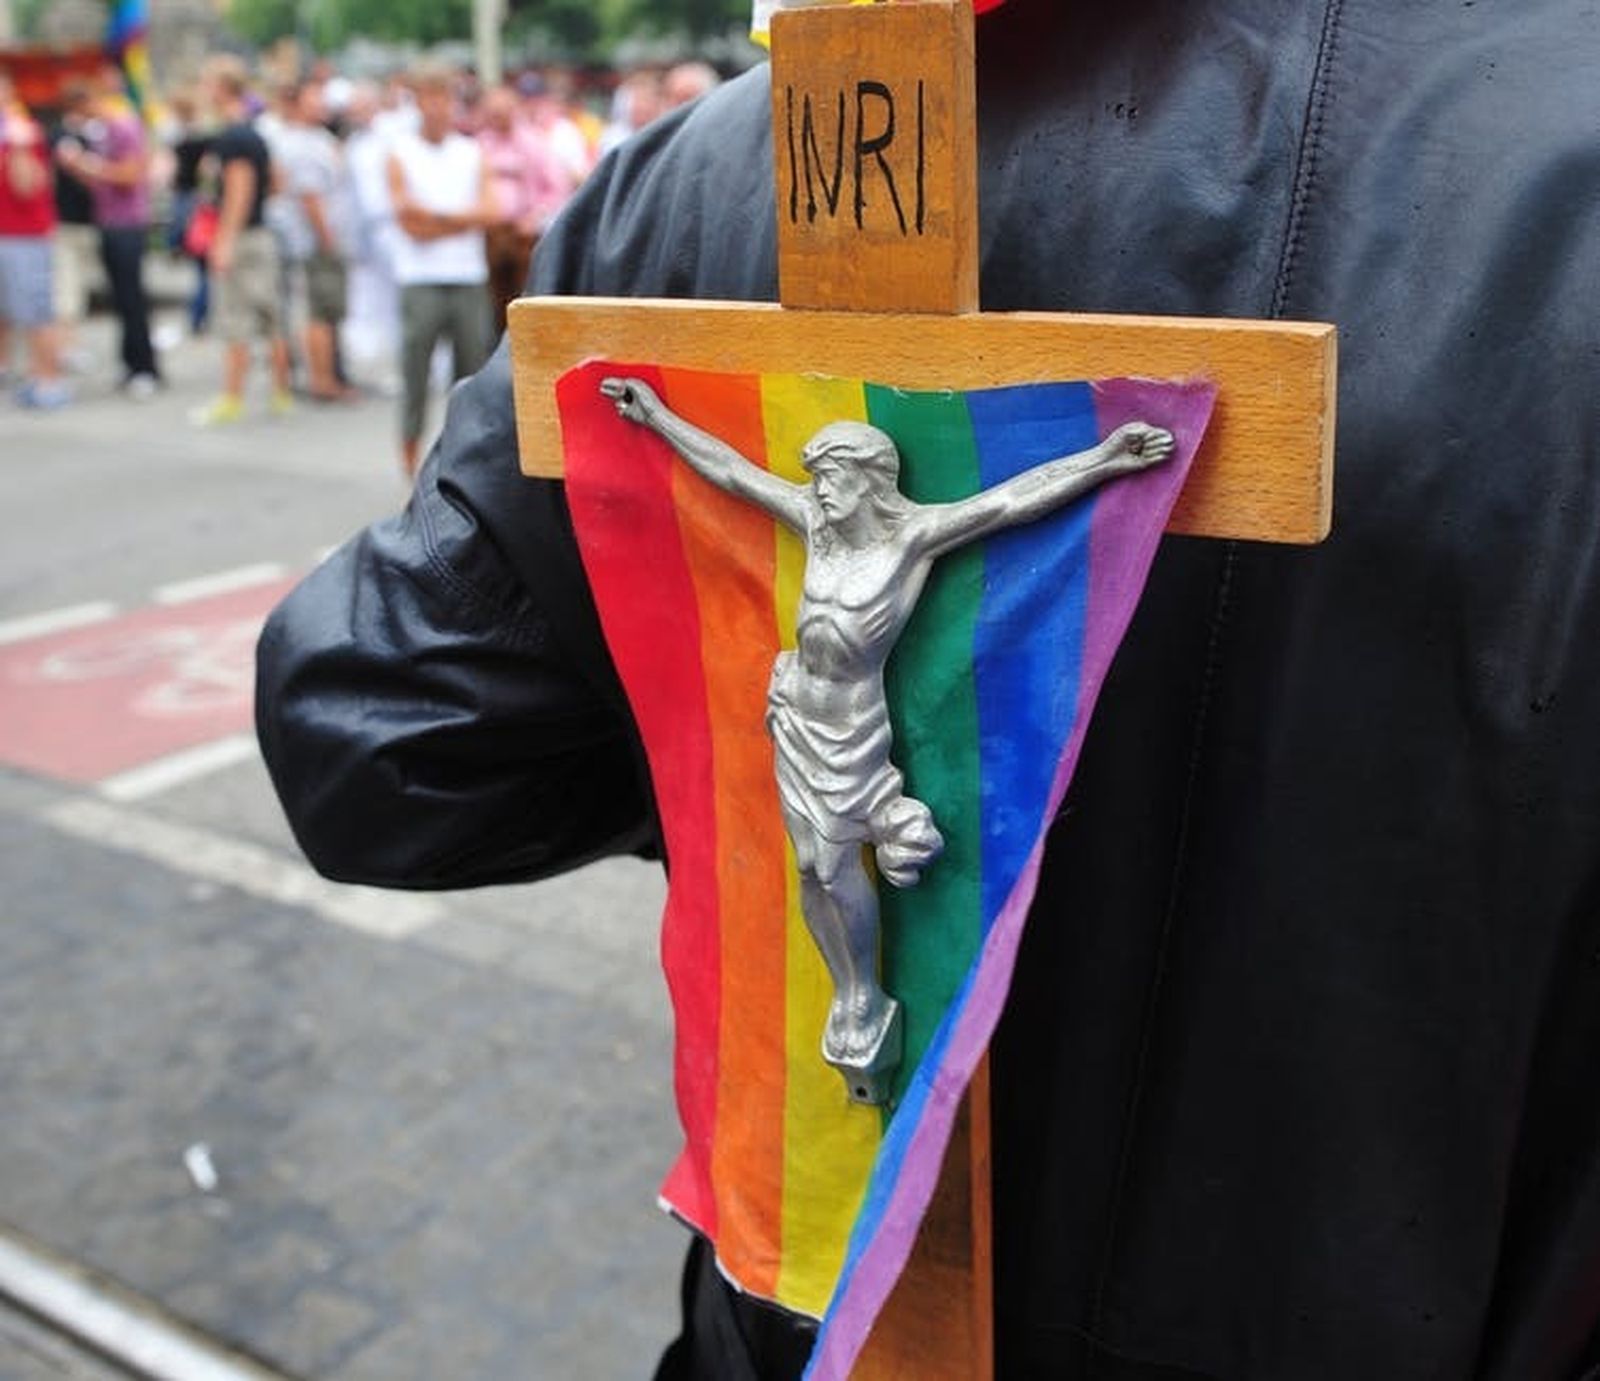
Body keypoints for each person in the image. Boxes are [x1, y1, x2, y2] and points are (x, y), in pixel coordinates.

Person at [257, 3, 1600, 1378]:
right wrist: (661, 443)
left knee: (857, 900)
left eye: (848, 475)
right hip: (823, 776)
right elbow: (409, 721)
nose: (836, 484)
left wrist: (1119, 458)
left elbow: (386, 744)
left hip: (832, 1310)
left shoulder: (719, 182)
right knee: (851, 927)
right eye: (828, 472)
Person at [386, 62, 496, 477]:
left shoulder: (470, 152)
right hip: (421, 279)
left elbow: (491, 210)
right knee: (415, 375)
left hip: (465, 277)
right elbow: (407, 221)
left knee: (470, 380)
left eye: (444, 98)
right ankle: (411, 467)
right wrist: (460, 219)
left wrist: (435, 218)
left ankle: (464, 466)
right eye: (430, 98)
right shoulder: (401, 153)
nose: (438, 107)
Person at [193, 55, 292, 426]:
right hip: (260, 233)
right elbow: (277, 181)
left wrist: (224, 240)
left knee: (235, 319)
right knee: (271, 318)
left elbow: (239, 190)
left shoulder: (232, 137)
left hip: (244, 236)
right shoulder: (255, 132)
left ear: (221, 88)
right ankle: (281, 392)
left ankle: (232, 396)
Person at [55, 67, 160, 397]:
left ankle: (144, 367)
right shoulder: (104, 132)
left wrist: (86, 164)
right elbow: (103, 181)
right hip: (109, 221)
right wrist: (78, 168)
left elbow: (130, 175)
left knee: (132, 298)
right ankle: (131, 364)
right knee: (121, 299)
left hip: (127, 224)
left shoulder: (124, 127)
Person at [275, 79, 355, 402]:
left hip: (322, 236)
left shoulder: (316, 138)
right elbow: (310, 197)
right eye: (313, 97)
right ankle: (322, 380)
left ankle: (328, 374)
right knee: (320, 312)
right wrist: (326, 237)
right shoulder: (301, 143)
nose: (321, 103)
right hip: (315, 240)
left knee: (327, 311)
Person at [476, 84, 572, 333]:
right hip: (491, 234)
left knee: (525, 299)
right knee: (493, 302)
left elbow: (556, 189)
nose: (499, 118)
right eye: (494, 113)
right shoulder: (480, 144)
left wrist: (535, 217)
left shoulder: (534, 143)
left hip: (525, 235)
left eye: (503, 112)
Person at [0, 72, 67, 409]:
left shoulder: (22, 133)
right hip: (5, 235)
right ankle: (16, 371)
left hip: (25, 237)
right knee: (7, 310)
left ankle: (48, 381)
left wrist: (18, 148)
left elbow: (27, 187)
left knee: (36, 313)